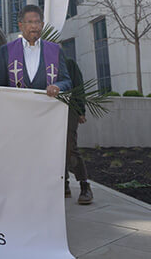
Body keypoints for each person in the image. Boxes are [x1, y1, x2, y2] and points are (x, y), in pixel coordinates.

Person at [0, 4, 71, 96]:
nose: (34, 26)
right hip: (16, 107)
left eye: (37, 22)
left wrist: (57, 86)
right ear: (20, 25)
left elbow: (66, 81)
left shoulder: (55, 50)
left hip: (47, 107)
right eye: (29, 22)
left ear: (42, 25)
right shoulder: (6, 50)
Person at [64, 57, 93, 204]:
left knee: (70, 146)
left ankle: (84, 185)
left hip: (70, 108)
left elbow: (78, 86)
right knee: (53, 148)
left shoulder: (68, 62)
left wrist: (81, 110)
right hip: (48, 109)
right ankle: (64, 185)